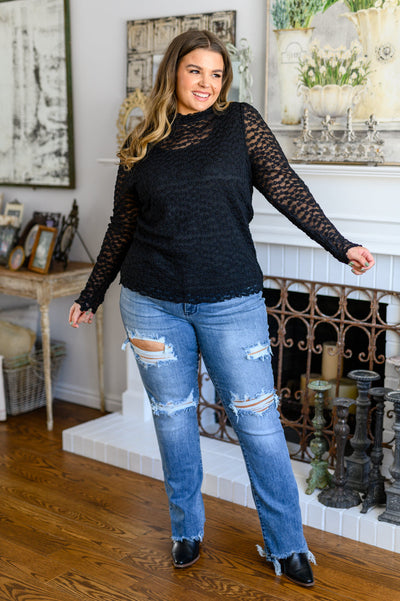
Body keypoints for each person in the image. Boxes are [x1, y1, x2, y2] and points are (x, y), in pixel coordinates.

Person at [69, 29, 375, 587]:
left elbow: (288, 189)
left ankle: (287, 545)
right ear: (173, 72)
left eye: (216, 74)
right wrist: (91, 295)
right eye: (195, 71)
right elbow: (121, 226)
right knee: (174, 421)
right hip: (151, 303)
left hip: (230, 302)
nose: (206, 83)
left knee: (258, 424)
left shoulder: (240, 124)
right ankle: (186, 530)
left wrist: (342, 245)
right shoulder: (142, 140)